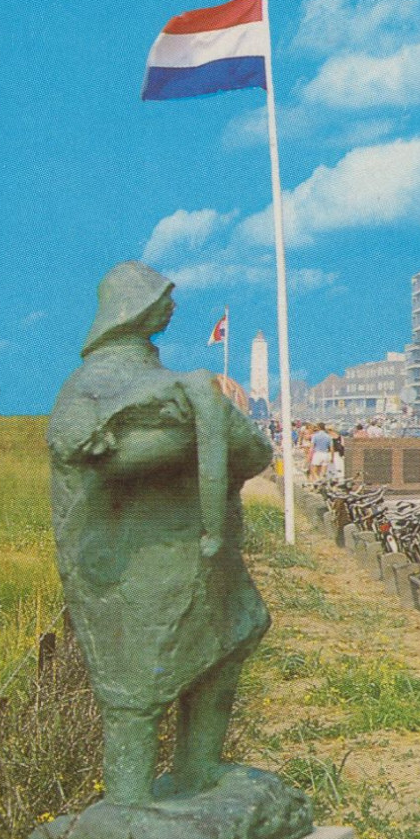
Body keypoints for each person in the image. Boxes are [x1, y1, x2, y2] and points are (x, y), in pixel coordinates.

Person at [46, 262, 275, 811]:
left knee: (228, 644)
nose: (169, 306)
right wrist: (198, 433)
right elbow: (88, 454)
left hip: (200, 555)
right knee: (139, 679)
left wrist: (215, 431)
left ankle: (197, 768)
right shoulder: (93, 384)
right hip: (132, 561)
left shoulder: (167, 379)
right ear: (131, 309)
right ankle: (127, 804)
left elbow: (251, 451)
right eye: (158, 297)